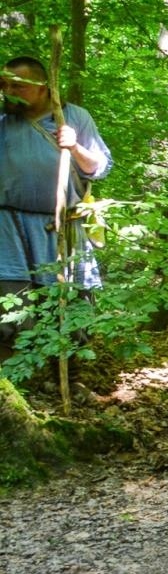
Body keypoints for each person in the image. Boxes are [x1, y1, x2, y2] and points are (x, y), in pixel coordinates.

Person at [0, 56, 112, 355]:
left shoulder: (74, 117)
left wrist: (74, 145)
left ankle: (69, 370)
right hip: (9, 227)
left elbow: (98, 167)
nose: (9, 91)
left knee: (72, 299)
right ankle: (18, 378)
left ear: (44, 87)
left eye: (18, 85)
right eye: (4, 84)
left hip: (64, 226)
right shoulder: (3, 123)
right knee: (12, 299)